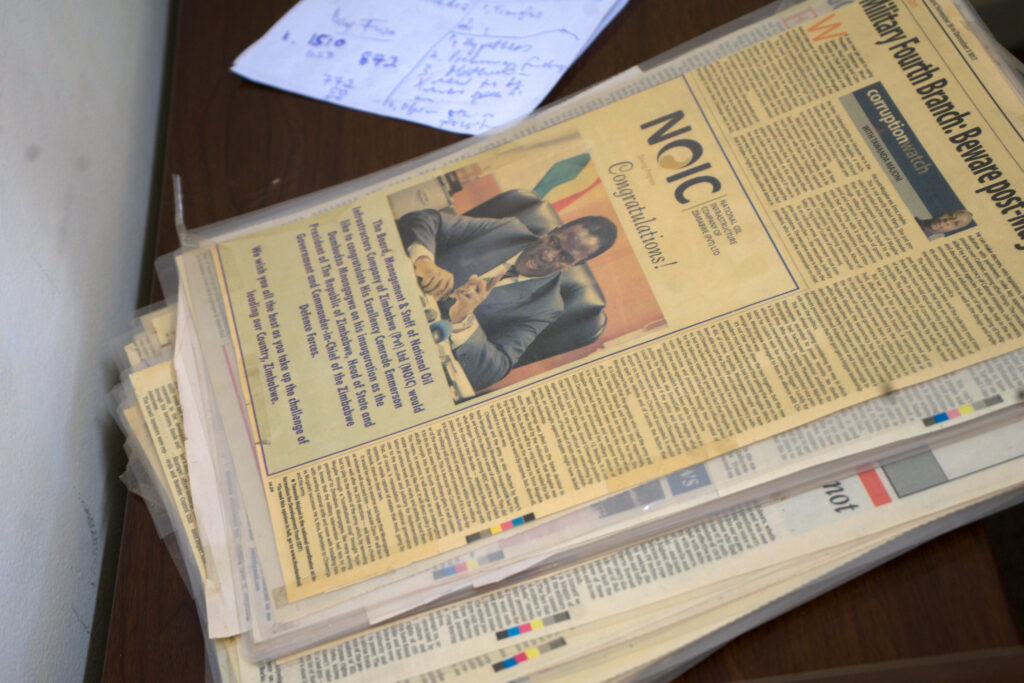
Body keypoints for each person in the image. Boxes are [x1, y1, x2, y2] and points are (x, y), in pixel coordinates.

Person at [397, 208, 617, 391]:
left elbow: (492, 371)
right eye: (554, 242)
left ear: (575, 265)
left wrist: (463, 320)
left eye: (565, 257)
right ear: (552, 230)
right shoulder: (507, 229)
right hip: (395, 296)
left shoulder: (546, 306)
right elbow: (426, 219)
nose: (548, 255)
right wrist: (424, 260)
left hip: (414, 355)